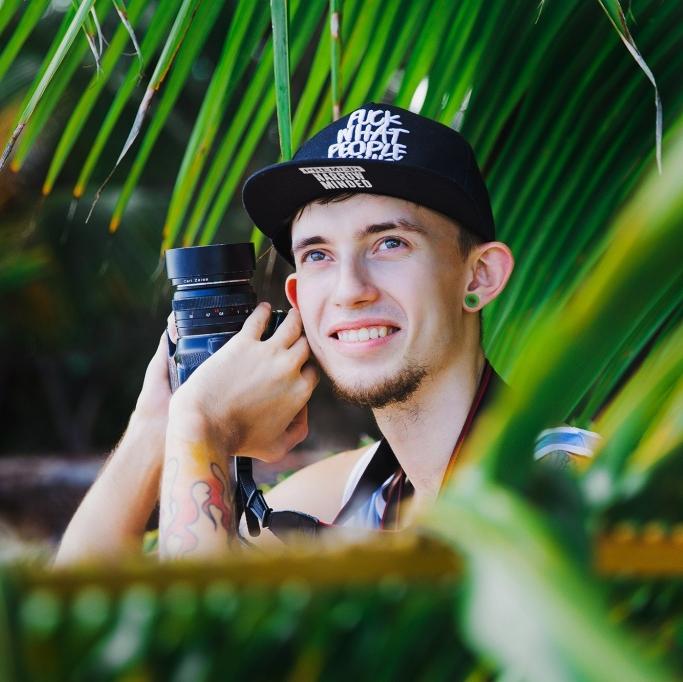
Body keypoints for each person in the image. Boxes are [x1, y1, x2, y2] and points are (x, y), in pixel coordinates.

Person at [54, 103, 598, 565]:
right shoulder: (358, 496)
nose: (349, 290)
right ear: (296, 297)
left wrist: (204, 428)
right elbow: (72, 617)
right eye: (318, 255)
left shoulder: (573, 486)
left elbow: (191, 640)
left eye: (390, 243)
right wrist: (160, 425)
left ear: (479, 276)